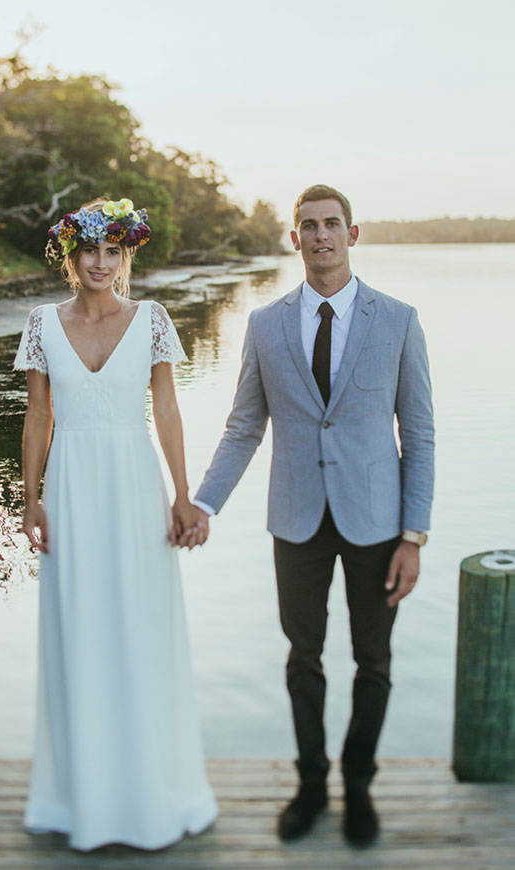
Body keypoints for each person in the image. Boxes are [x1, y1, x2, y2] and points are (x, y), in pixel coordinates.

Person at [184, 184, 434, 846]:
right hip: (294, 520)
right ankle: (310, 783)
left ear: (353, 234)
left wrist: (413, 534)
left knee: (373, 660)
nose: (319, 235)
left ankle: (356, 786)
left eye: (331, 224)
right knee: (303, 658)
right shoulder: (265, 326)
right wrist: (202, 502)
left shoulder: (398, 320)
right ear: (293, 239)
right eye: (307, 226)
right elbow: (243, 427)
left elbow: (419, 434)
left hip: (377, 524)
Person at [13, 195, 217, 852]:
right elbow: (38, 417)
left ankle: (152, 793)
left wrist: (184, 495)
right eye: (89, 250)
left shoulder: (153, 319)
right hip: (70, 490)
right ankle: (78, 798)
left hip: (134, 488)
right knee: (78, 631)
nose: (100, 263)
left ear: (125, 255)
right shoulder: (42, 323)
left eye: (113, 251)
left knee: (140, 628)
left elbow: (167, 410)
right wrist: (29, 496)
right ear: (70, 256)